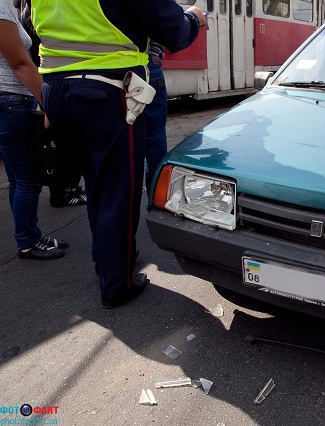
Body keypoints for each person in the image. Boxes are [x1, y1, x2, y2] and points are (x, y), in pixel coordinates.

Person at [31, 0, 206, 308]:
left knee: (96, 181)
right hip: (106, 91)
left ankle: (106, 259)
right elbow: (172, 30)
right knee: (118, 190)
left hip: (56, 90)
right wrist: (194, 18)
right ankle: (117, 283)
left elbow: (29, 25)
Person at [0, 0, 66, 260]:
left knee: (18, 178)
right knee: (29, 178)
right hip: (12, 102)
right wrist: (46, 102)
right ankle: (28, 241)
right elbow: (19, 62)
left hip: (6, 103)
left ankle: (28, 234)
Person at [14, 0, 86, 208]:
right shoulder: (35, 12)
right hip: (48, 81)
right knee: (56, 143)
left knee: (62, 140)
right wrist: (46, 103)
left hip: (48, 81)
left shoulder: (32, 10)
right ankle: (61, 191)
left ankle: (69, 187)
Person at [144, 41, 168, 204]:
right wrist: (193, 20)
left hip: (96, 72)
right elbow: (173, 33)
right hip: (145, 65)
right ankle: (155, 202)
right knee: (153, 142)